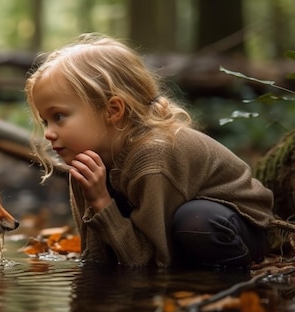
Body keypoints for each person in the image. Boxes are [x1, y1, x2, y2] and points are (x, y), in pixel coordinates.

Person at [24, 33, 275, 269]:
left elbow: (152, 263)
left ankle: (219, 287)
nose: (48, 133)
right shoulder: (86, 163)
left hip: (240, 226)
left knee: (196, 221)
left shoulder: (153, 156)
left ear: (113, 110)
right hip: (171, 236)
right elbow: (96, 257)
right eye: (46, 121)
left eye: (59, 116)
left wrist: (101, 202)